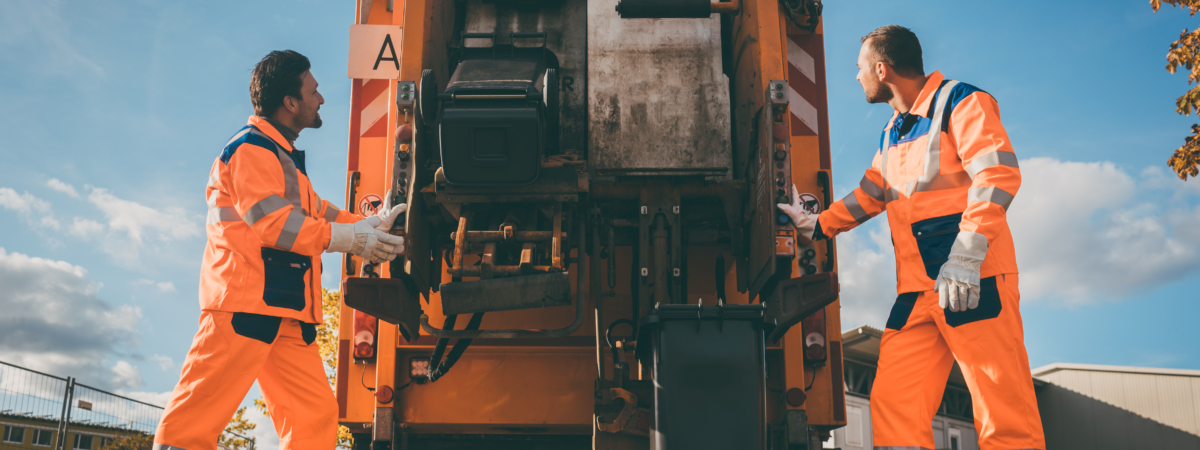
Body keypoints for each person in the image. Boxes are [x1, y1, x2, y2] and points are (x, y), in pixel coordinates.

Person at [778, 26, 1044, 450]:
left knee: (1001, 409)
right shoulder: (893, 132)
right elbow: (871, 194)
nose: (857, 77)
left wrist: (967, 256)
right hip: (918, 293)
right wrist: (817, 225)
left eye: (860, 68)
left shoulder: (962, 101)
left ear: (882, 69)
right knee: (894, 407)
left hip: (972, 280)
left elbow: (997, 174)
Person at [154, 50, 405, 450]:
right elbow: (273, 225)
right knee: (192, 425)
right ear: (290, 103)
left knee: (315, 422)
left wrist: (368, 225)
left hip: (282, 313)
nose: (321, 99)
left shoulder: (281, 158)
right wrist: (349, 240)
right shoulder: (251, 149)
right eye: (314, 91)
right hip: (243, 307)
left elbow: (319, 212)